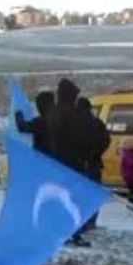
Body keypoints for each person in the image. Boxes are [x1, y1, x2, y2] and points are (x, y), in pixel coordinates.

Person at [46, 78, 93, 246]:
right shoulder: (74, 114)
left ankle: (60, 231)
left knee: (60, 198)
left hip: (56, 162)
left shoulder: (53, 112)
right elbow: (84, 137)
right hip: (73, 162)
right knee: (73, 199)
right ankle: (72, 232)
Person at [78, 97, 111, 231]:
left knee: (80, 194)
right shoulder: (97, 123)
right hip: (94, 163)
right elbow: (106, 140)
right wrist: (96, 153)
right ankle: (91, 221)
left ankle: (81, 222)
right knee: (93, 194)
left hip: (79, 164)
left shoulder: (75, 123)